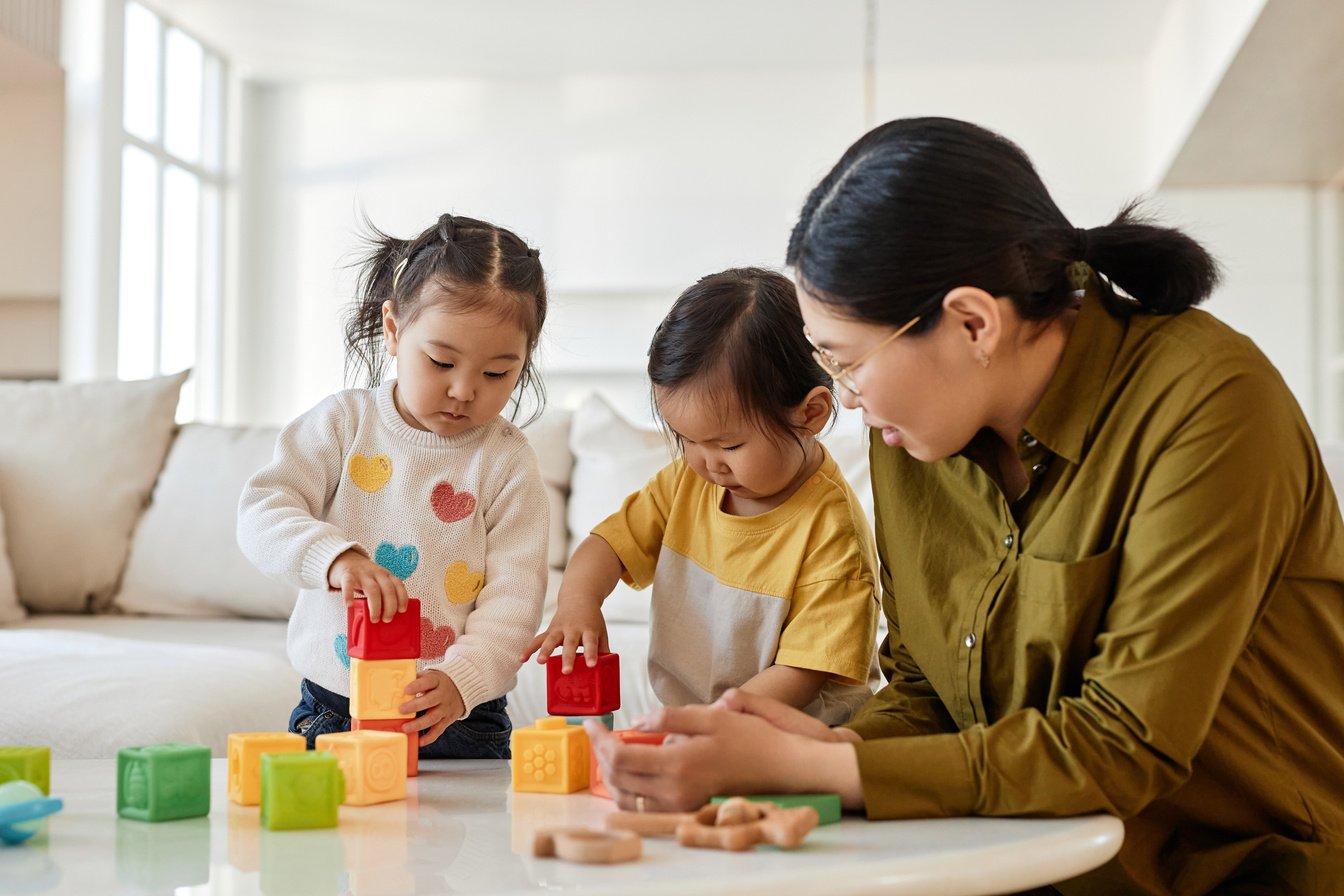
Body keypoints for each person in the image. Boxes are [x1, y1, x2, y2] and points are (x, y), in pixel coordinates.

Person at [585, 119, 1344, 894]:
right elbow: (926, 694)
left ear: (973, 322)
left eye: (847, 362)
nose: (845, 400)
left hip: (1241, 871)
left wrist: (818, 765)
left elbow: (1122, 745)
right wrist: (791, 767)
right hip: (1017, 859)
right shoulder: (914, 434)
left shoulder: (1210, 405)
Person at [238, 212, 551, 759]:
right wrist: (334, 558)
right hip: (337, 708)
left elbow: (514, 600)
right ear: (393, 328)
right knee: (333, 842)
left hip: (458, 718)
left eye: (497, 374)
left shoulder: (506, 460)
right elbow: (263, 511)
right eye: (441, 361)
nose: (463, 390)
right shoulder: (341, 425)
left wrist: (464, 681)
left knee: (470, 847)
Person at [523, 267, 879, 724]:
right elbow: (607, 546)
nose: (706, 462)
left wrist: (712, 725)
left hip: (797, 734)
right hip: (707, 724)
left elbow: (801, 674)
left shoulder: (833, 534)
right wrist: (578, 603)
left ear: (809, 414)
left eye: (729, 445)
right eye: (686, 439)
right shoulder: (688, 483)